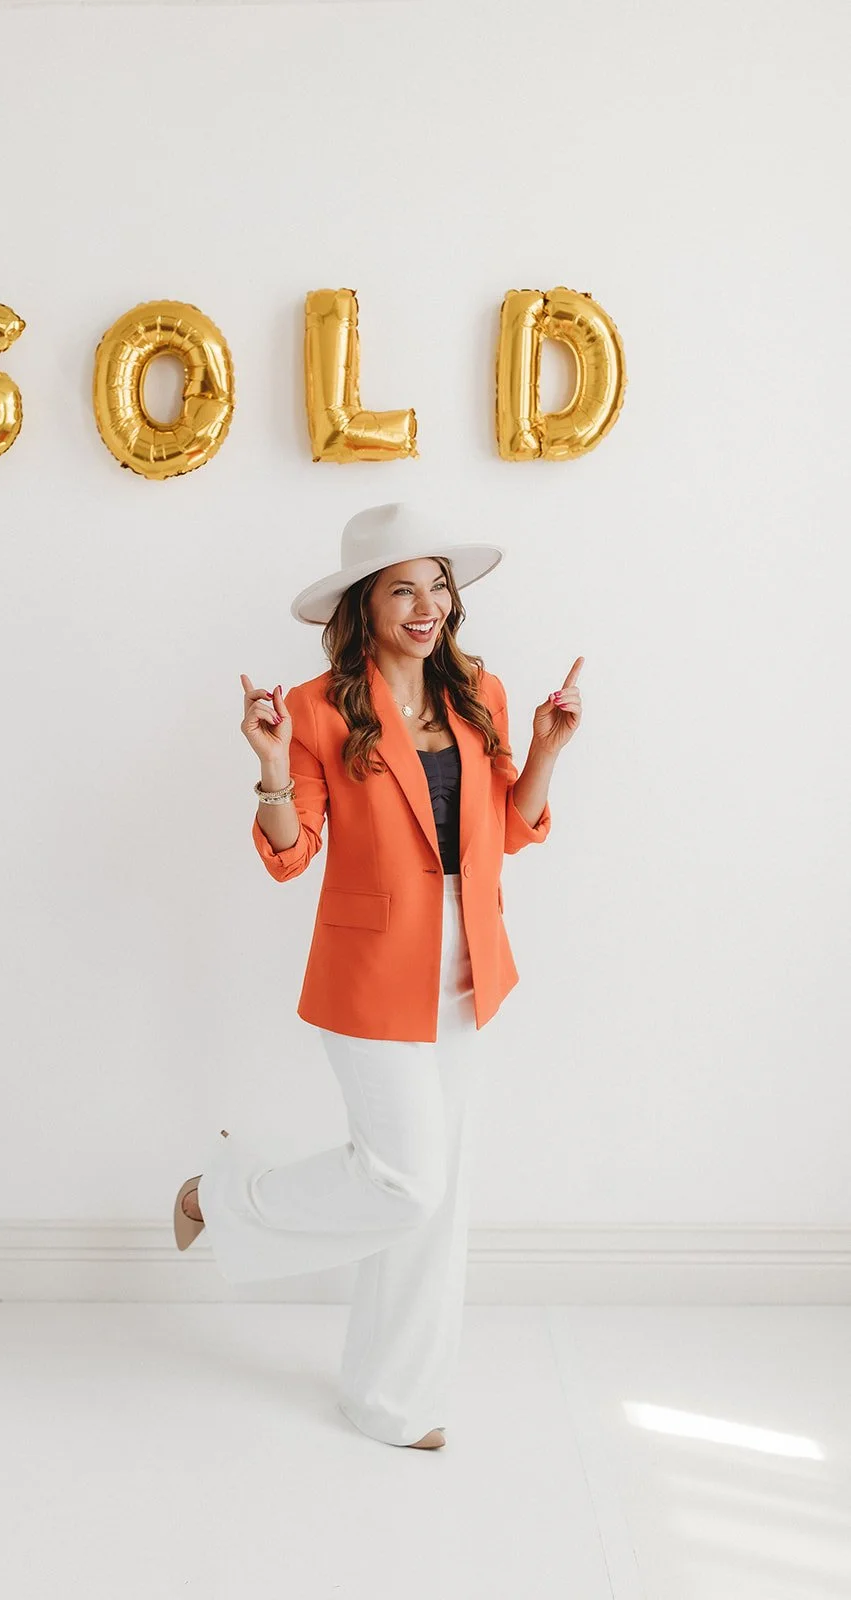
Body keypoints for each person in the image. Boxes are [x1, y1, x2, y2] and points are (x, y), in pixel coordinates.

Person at [172, 501, 582, 1450]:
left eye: (437, 584)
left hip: (467, 963)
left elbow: (512, 832)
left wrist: (549, 755)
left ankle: (393, 1399)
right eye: (403, 587)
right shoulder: (317, 709)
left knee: (440, 1197)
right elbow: (289, 853)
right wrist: (272, 767)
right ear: (364, 604)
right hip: (366, 972)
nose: (427, 603)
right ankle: (219, 1196)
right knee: (405, 1183)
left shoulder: (479, 690)